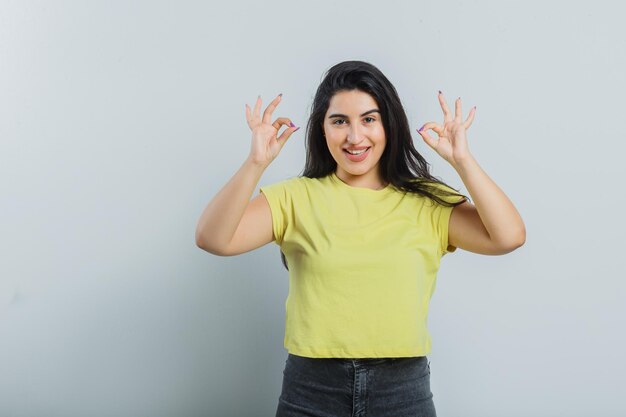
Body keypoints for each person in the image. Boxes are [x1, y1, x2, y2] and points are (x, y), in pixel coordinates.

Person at [195, 60, 526, 417]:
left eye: (369, 119)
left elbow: (508, 237)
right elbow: (214, 239)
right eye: (340, 121)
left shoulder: (427, 201)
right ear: (322, 129)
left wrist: (462, 160)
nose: (355, 137)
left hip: (402, 391)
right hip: (311, 390)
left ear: (390, 125)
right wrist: (255, 163)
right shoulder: (295, 198)